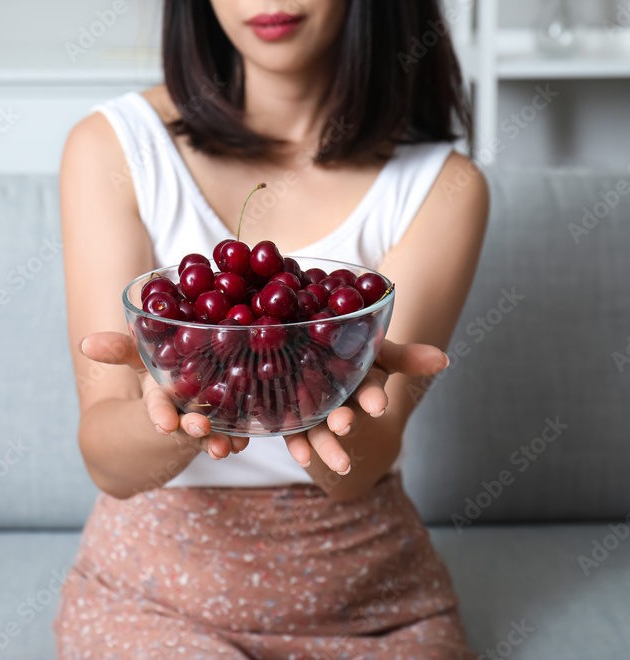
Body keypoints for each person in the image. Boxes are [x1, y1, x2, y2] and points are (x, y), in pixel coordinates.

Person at [54, 0, 488, 657]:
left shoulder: (443, 186)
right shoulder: (115, 146)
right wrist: (177, 409)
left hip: (371, 603)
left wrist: (330, 389)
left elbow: (357, 468)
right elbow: (107, 461)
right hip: (153, 602)